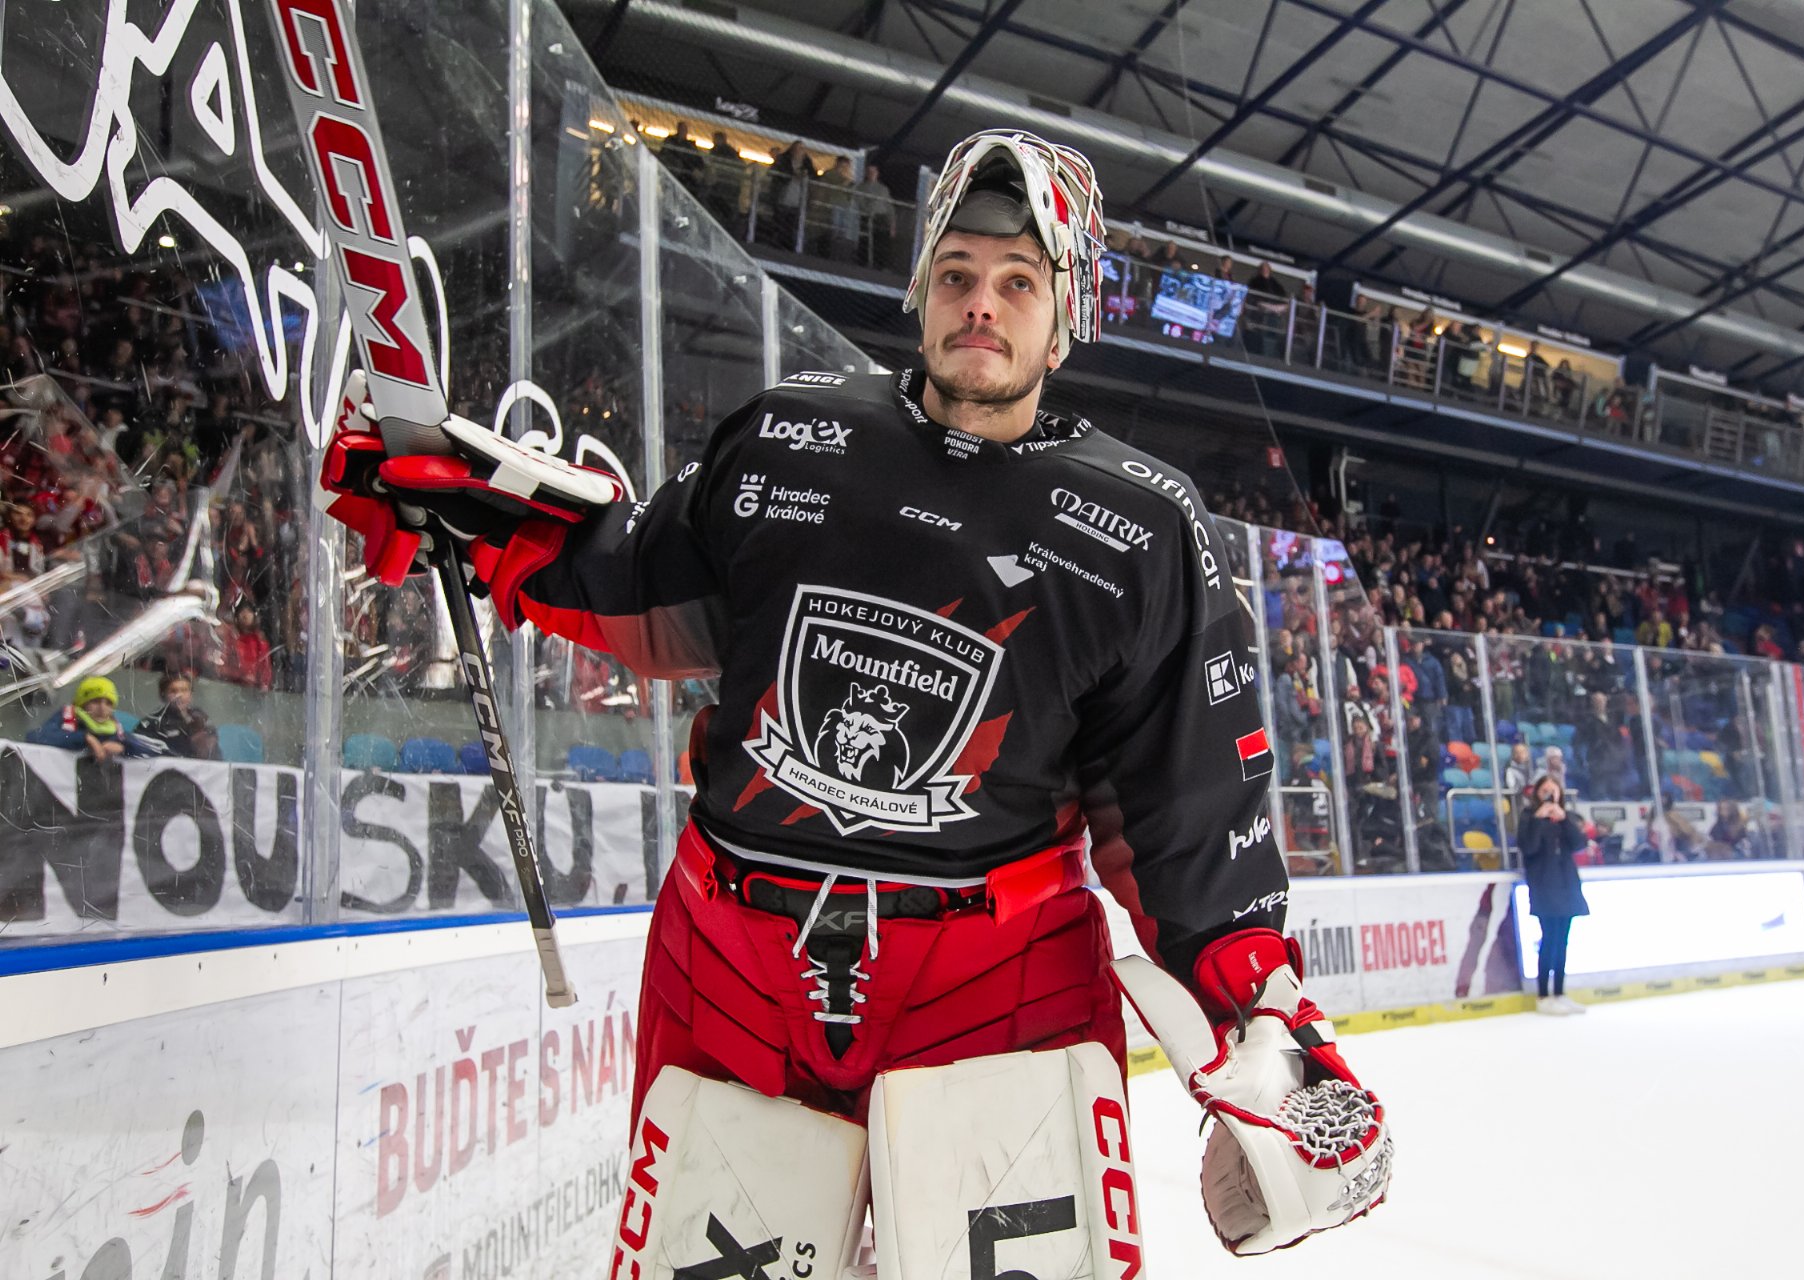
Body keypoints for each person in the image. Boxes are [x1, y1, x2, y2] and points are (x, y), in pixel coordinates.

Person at [316, 127, 1389, 1269]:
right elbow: (638, 581)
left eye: (1019, 282)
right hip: (734, 959)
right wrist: (483, 515)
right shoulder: (791, 433)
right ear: (921, 289)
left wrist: (1257, 1001)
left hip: (998, 985)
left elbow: (1188, 809)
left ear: (1063, 316)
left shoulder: (1145, 527)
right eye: (957, 273)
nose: (982, 304)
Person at [1520, 776, 1588, 1015]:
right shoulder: (1529, 817)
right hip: (1544, 885)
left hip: (1566, 883)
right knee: (1549, 939)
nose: (1549, 794)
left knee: (1563, 940)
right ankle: (1543, 994)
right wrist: (1539, 821)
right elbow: (1528, 847)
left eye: (1553, 790)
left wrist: (1564, 819)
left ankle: (1559, 991)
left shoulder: (1565, 817)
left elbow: (1579, 844)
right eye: (1545, 790)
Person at [26, 675, 160, 761]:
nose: (102, 708)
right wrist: (84, 738)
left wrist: (124, 748)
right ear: (82, 704)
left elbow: (154, 752)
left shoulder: (115, 729)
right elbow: (34, 737)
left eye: (108, 703)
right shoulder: (68, 718)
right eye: (95, 701)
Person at [135, 672, 222, 760]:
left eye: (184, 690)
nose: (179, 695)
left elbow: (214, 754)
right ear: (163, 695)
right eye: (173, 691)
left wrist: (202, 743)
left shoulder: (201, 717)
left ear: (191, 694)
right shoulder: (153, 723)